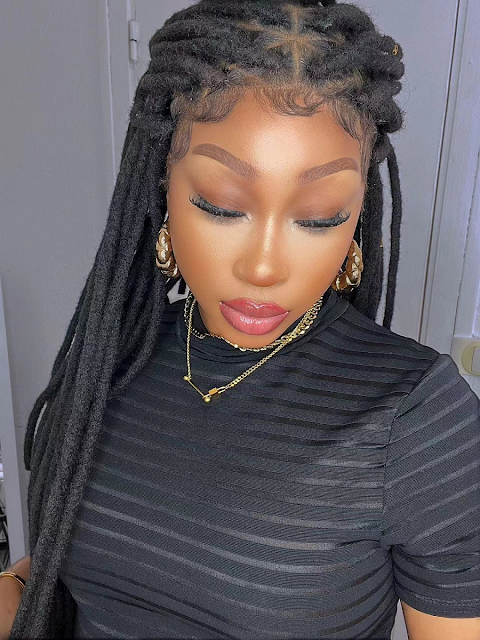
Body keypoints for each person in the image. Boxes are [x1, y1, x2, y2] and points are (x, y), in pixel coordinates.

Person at [2, 0, 479, 638]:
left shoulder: (416, 418)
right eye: (222, 206)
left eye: (319, 217)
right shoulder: (115, 358)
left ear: (358, 217)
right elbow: (72, 577)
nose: (263, 266)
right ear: (164, 190)